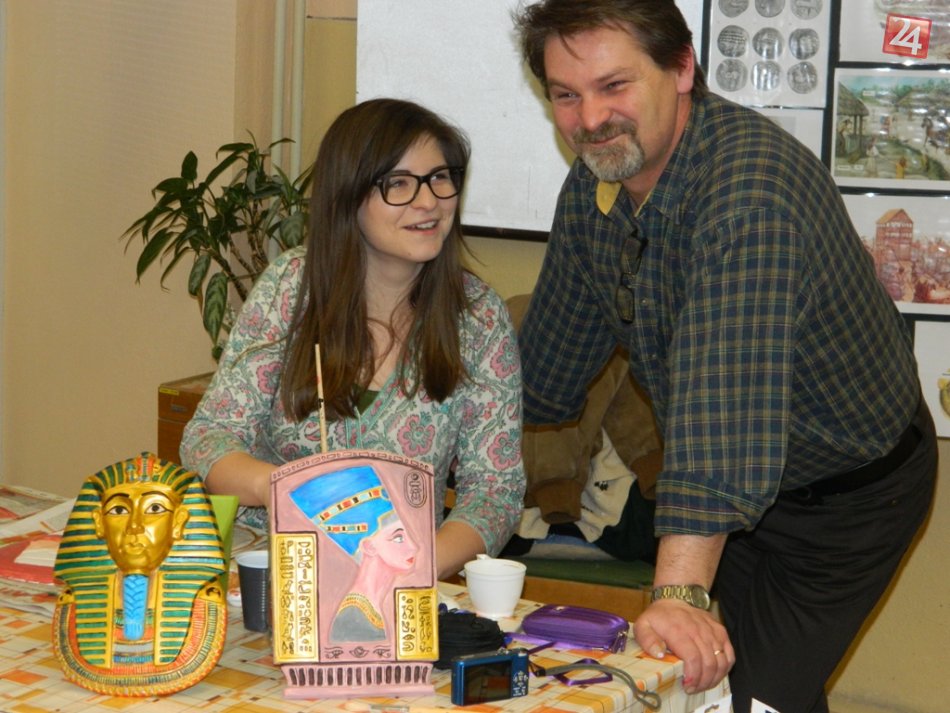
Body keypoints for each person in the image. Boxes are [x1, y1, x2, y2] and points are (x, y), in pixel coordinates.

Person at [512, 2, 938, 712]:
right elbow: (545, 371)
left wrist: (679, 594)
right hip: (740, 501)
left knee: (743, 698)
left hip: (849, 497)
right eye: (565, 95)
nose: (590, 119)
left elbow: (723, 419)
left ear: (683, 67)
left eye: (614, 86)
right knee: (718, 688)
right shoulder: (596, 187)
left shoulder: (748, 197)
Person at [180, 98, 525, 581]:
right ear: (348, 196)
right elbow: (208, 437)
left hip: (402, 579)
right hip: (274, 573)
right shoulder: (292, 286)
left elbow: (494, 492)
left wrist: (413, 568)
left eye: (439, 178)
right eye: (398, 184)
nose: (429, 202)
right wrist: (284, 486)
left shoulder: (478, 317)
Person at [53, 454, 227, 695]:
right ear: (98, 523)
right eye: (118, 510)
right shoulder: (74, 600)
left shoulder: (205, 600)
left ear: (179, 522)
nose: (134, 526)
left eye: (154, 508)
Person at [289, 465, 419, 642]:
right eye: (398, 538)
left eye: (409, 536)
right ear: (369, 546)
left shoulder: (381, 605)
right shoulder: (351, 619)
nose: (413, 547)